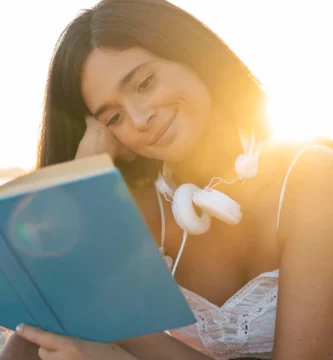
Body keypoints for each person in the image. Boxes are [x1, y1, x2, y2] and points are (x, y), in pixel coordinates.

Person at [1, 0, 333, 359]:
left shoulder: (309, 179)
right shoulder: (136, 209)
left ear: (192, 54)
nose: (140, 118)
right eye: (113, 118)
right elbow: (25, 346)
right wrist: (83, 176)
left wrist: (126, 347)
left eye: (145, 83)